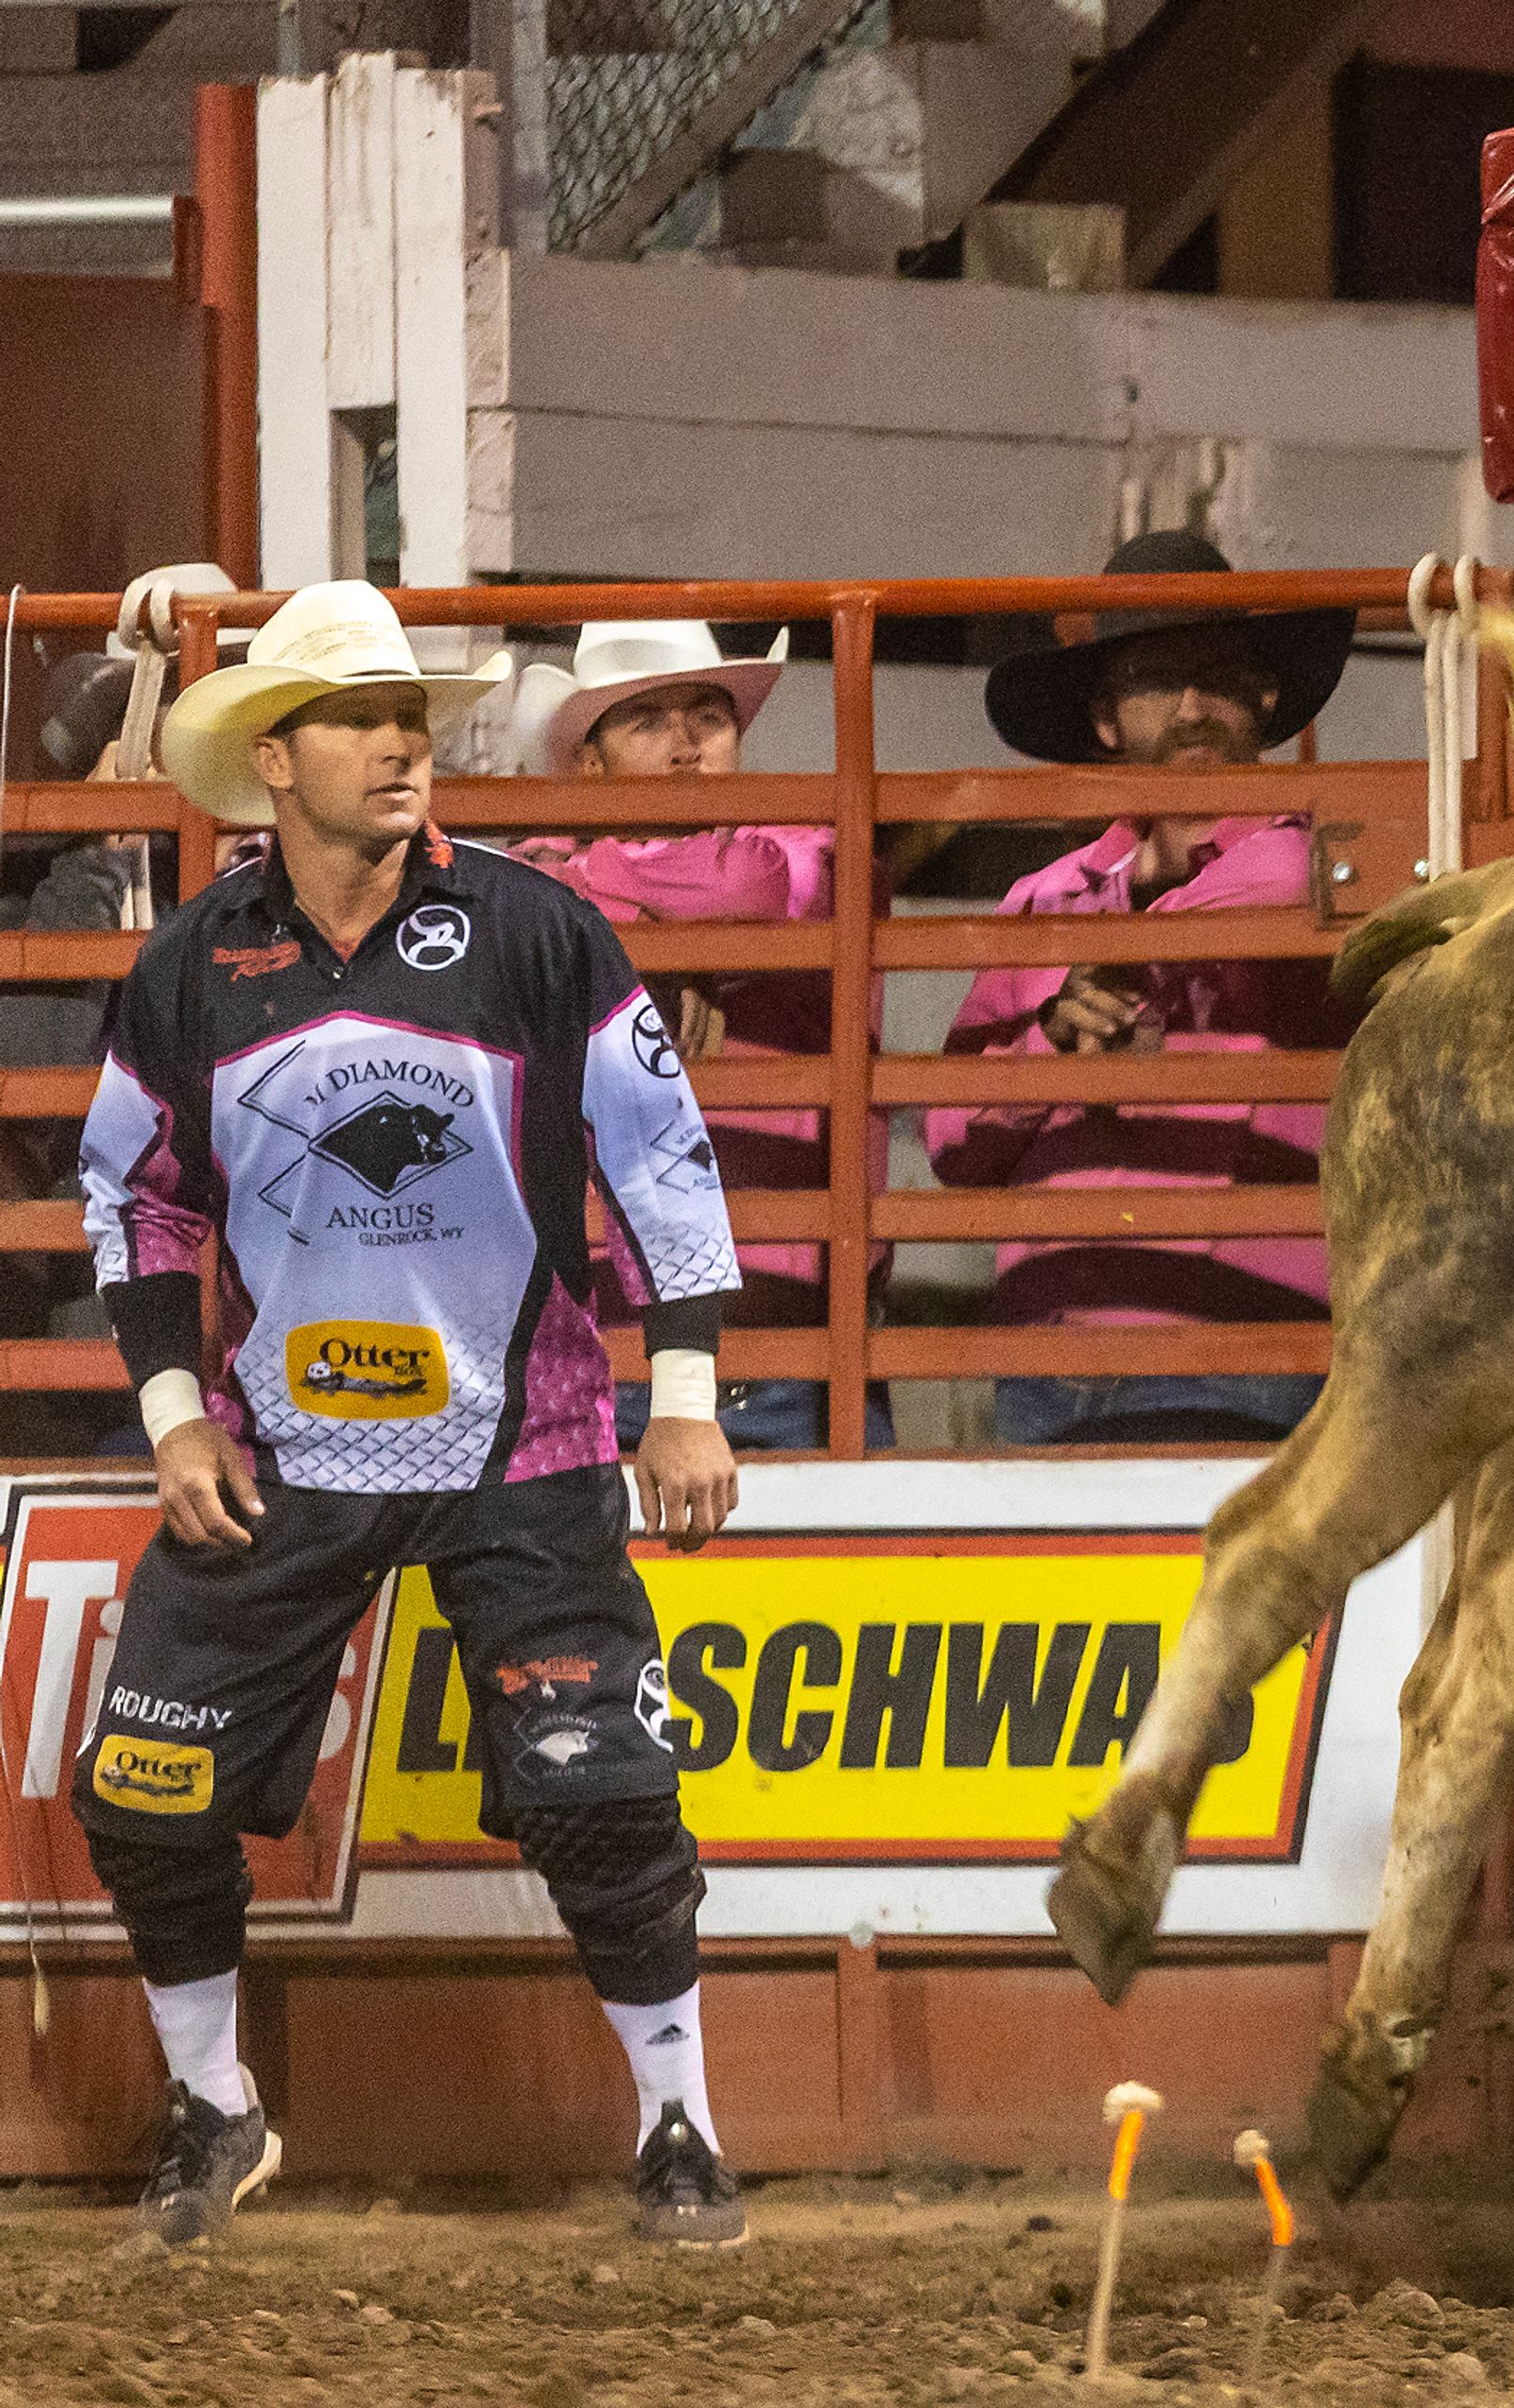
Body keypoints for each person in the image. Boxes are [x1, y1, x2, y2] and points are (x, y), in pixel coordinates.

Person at [74, 580, 752, 2250]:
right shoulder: (189, 967)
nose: (400, 745)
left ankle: (682, 2119)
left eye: (410, 717)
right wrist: (173, 1413)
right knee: (144, 1791)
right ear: (276, 758)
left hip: (527, 1438)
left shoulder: (535, 929)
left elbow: (661, 1155)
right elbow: (137, 1195)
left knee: (602, 1788)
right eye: (361, 722)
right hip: (282, 1449)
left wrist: (684, 1397)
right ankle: (215, 2104)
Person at [929, 529, 1359, 1448]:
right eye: (1158, 678)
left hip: (1242, 1354)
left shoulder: (1317, 864)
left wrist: (1129, 947)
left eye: (1219, 675)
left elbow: (1282, 871)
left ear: (1264, 696)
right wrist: (1049, 1039)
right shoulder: (1040, 900)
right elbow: (949, 1139)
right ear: (1108, 716)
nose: (1195, 706)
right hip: (1050, 1361)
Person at [511, 621, 898, 1447]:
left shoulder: (811, 845)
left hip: (790, 1359)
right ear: (590, 764)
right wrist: (659, 949)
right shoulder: (534, 885)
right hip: (598, 1360)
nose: (685, 747)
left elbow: (752, 887)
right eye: (647, 721)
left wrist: (622, 922)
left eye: (708, 719)